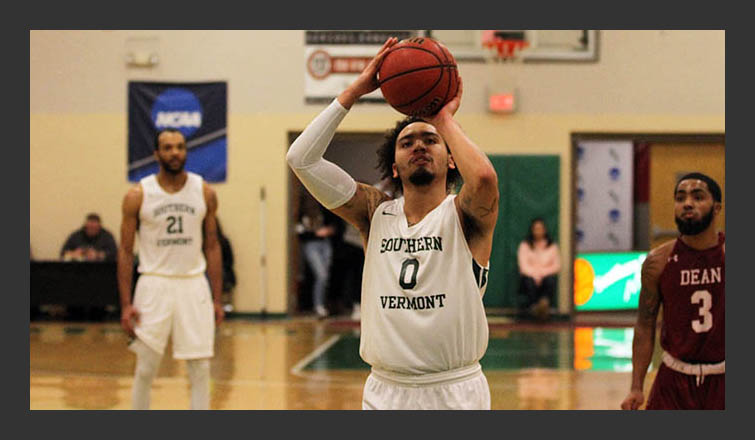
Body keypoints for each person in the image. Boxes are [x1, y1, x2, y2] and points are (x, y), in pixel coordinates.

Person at [287, 37, 498, 410]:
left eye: (430, 140)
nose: (418, 145)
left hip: (455, 390)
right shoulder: (374, 212)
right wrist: (356, 90)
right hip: (386, 391)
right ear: (395, 166)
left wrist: (443, 118)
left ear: (450, 160)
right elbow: (301, 159)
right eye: (407, 143)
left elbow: (482, 179)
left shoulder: (465, 214)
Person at [117, 128, 224, 410]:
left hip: (192, 283)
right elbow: (126, 252)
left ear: (186, 151)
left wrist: (216, 298)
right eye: (167, 147)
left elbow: (212, 246)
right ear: (156, 153)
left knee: (200, 368)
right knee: (146, 366)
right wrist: (126, 303)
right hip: (154, 282)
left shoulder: (204, 191)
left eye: (179, 147)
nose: (174, 152)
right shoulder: (138, 195)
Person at [621, 172, 724, 410]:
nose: (687, 203)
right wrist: (636, 386)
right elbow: (645, 325)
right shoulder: (658, 262)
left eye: (698, 197)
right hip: (673, 380)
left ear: (716, 208)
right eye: (680, 198)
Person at [296, 191, 338, 318]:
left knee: (326, 276)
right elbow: (300, 233)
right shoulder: (303, 214)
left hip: (325, 243)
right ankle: (318, 305)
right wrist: (315, 234)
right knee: (321, 275)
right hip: (311, 245)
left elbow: (334, 225)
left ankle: (324, 304)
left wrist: (329, 230)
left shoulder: (323, 209)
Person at [517, 218, 560, 321]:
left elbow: (556, 266)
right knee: (528, 281)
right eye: (536, 229)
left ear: (544, 230)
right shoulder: (525, 245)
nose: (538, 231)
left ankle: (543, 304)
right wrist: (535, 275)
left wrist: (541, 274)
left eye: (540, 228)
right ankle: (535, 308)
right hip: (530, 278)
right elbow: (523, 266)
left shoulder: (552, 246)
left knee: (550, 280)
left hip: (545, 278)